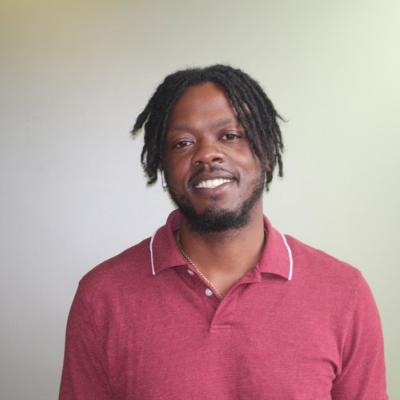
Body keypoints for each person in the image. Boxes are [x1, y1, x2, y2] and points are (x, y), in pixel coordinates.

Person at [59, 65, 388, 399]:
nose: (206, 154)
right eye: (182, 143)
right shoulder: (102, 297)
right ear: (162, 165)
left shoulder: (344, 293)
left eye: (230, 136)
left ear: (267, 152)